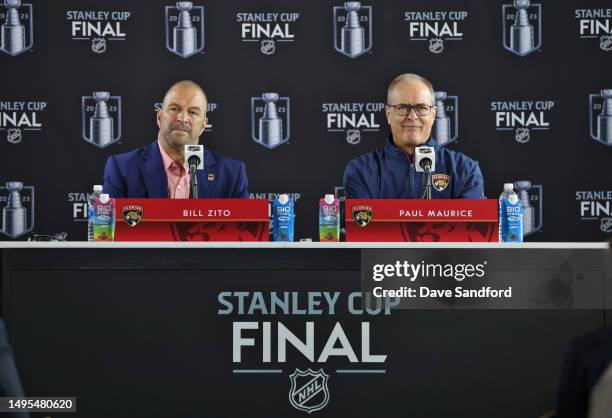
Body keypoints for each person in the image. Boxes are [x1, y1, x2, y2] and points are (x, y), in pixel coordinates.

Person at [342, 73, 484, 199]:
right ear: (388, 114)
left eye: (422, 108)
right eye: (402, 108)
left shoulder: (465, 170)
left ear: (433, 115)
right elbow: (363, 228)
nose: (412, 116)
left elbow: (472, 228)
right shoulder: (362, 170)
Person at [103, 80, 249, 198]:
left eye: (193, 112)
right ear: (159, 117)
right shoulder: (122, 168)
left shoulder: (231, 174)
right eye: (174, 109)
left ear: (204, 125)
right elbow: (105, 232)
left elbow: (243, 232)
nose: (182, 118)